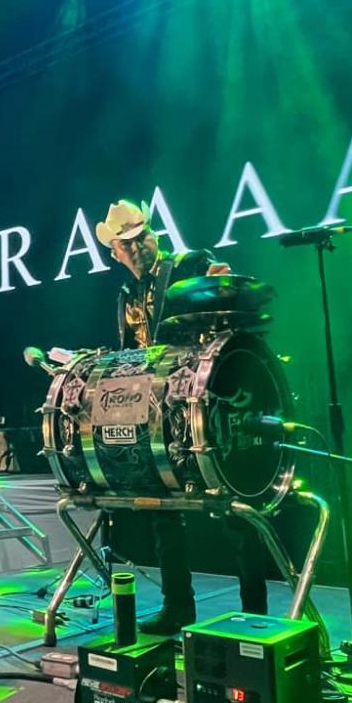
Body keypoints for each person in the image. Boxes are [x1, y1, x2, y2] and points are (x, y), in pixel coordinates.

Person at [93, 199, 270, 633]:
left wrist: (219, 278)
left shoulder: (188, 264)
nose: (137, 248)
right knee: (161, 508)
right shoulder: (126, 295)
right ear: (114, 252)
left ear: (153, 235)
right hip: (158, 406)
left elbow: (222, 292)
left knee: (233, 507)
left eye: (141, 238)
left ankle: (255, 612)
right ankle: (178, 606)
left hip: (202, 396)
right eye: (126, 244)